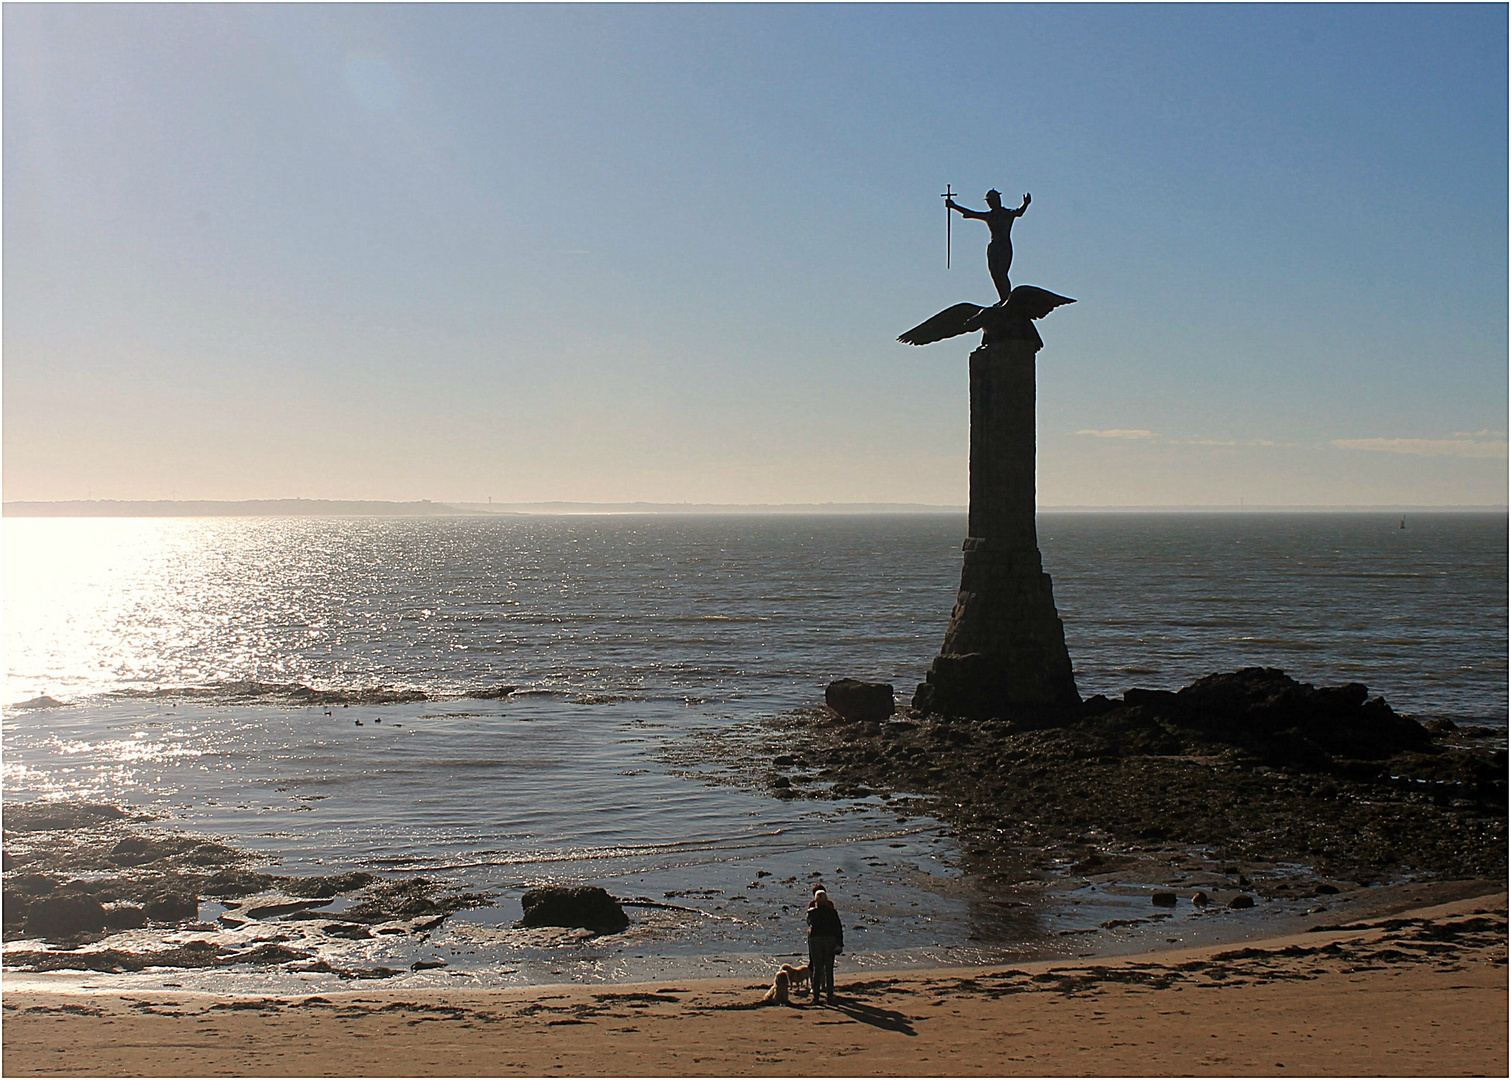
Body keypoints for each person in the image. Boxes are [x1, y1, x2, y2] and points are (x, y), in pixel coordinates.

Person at [945, 189, 1031, 304]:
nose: (990, 203)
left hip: (1004, 246)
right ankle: (1003, 298)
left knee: (1001, 273)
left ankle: (1006, 299)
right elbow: (971, 213)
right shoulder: (989, 215)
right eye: (989, 201)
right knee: (994, 273)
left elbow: (1019, 212)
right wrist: (954, 206)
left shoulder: (1007, 213)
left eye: (992, 200)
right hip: (994, 246)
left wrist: (1025, 204)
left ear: (998, 200)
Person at [805, 887, 844, 1004]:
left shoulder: (812, 913)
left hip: (816, 940)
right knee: (829, 969)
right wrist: (839, 943)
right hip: (830, 940)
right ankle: (830, 995)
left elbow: (809, 923)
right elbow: (838, 928)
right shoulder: (832, 912)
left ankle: (816, 996)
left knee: (817, 968)